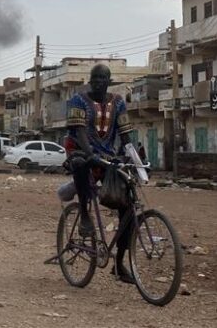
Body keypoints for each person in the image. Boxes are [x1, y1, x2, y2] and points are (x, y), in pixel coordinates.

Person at [64, 64, 135, 284]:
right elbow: (80, 131)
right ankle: (84, 214)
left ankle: (119, 264)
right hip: (80, 150)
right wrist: (89, 153)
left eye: (102, 78)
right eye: (95, 77)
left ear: (108, 80)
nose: (98, 81)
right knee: (80, 164)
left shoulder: (119, 102)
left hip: (108, 156)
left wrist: (133, 157)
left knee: (128, 207)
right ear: (90, 80)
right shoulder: (78, 100)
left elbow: (125, 135)